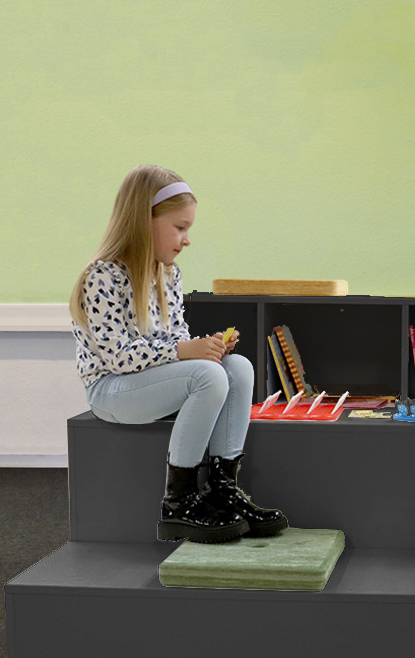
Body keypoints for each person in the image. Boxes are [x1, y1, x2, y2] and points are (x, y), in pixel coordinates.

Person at [69, 165, 287, 544]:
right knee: (209, 375)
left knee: (237, 367)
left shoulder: (167, 274)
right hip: (111, 389)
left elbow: (176, 342)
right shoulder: (102, 276)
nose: (187, 240)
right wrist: (187, 352)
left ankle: (222, 490)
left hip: (151, 384)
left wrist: (208, 348)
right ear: (144, 222)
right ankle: (179, 503)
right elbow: (118, 357)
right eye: (180, 227)